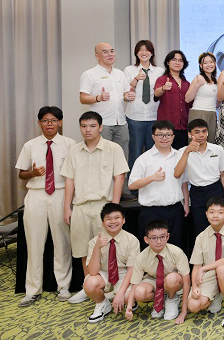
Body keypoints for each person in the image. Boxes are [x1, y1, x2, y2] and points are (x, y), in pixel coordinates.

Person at [61, 111, 129, 305]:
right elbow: (69, 180)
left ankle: (108, 289)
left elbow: (119, 177)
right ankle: (88, 286)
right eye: (83, 126)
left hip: (103, 206)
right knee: (84, 250)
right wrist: (67, 207)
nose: (87, 130)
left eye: (92, 126)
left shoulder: (113, 148)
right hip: (80, 206)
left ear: (100, 127)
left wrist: (113, 208)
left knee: (106, 249)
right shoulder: (74, 150)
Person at [16, 106, 76, 307]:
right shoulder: (30, 145)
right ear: (39, 123)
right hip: (36, 195)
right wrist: (32, 174)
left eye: (53, 120)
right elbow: (21, 174)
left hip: (60, 194)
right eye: (45, 120)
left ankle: (64, 286)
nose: (49, 124)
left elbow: (74, 174)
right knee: (34, 243)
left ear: (60, 122)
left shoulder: (70, 145)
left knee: (62, 242)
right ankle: (32, 290)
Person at [128, 120, 189, 248]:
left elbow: (184, 182)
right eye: (160, 135)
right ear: (153, 137)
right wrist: (152, 178)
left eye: (168, 135)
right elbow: (132, 185)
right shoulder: (144, 159)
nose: (164, 138)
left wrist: (186, 204)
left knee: (175, 248)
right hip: (151, 211)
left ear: (173, 136)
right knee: (151, 250)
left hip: (175, 210)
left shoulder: (179, 156)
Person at [186, 198, 224, 327]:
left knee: (222, 269)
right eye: (211, 212)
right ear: (206, 214)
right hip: (210, 274)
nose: (215, 215)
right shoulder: (201, 237)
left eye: (220, 212)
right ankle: (216, 296)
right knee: (193, 305)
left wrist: (204, 268)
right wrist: (194, 286)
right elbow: (196, 266)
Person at [125, 219, 190, 324]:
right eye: (154, 238)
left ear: (168, 236)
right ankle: (159, 301)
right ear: (146, 239)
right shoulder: (141, 257)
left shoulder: (176, 252)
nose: (159, 241)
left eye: (162, 237)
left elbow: (187, 281)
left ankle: (171, 298)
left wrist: (183, 312)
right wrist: (129, 307)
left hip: (172, 282)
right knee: (139, 292)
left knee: (172, 278)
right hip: (153, 280)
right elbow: (134, 284)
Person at [174, 118, 224, 237]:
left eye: (204, 131)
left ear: (208, 133)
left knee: (219, 228)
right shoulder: (182, 152)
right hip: (197, 191)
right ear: (190, 134)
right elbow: (177, 174)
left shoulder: (217, 149)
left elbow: (223, 175)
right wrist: (187, 152)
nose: (201, 135)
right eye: (197, 132)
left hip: (215, 189)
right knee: (200, 230)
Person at [82, 203, 139, 323]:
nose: (113, 222)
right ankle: (102, 303)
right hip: (104, 273)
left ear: (123, 220)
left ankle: (124, 298)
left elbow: (131, 270)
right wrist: (97, 248)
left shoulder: (132, 240)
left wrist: (120, 294)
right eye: (108, 219)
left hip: (124, 274)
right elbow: (92, 272)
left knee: (133, 295)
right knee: (90, 283)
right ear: (102, 222)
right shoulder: (94, 242)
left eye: (117, 218)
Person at [80, 42, 130, 160]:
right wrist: (98, 98)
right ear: (97, 56)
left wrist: (128, 96)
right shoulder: (89, 74)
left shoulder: (120, 73)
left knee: (121, 158)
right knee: (102, 159)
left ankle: (121, 179)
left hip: (121, 123)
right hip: (103, 124)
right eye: (105, 52)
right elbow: (83, 98)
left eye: (112, 51)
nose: (110, 54)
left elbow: (125, 93)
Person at [124, 40, 164, 170]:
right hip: (135, 117)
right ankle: (134, 186)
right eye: (140, 50)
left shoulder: (159, 71)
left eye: (147, 50)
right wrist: (136, 79)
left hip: (154, 116)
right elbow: (125, 91)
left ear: (152, 53)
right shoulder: (129, 70)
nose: (144, 52)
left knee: (153, 152)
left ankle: (151, 183)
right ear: (136, 53)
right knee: (135, 152)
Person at [153, 50, 192, 150]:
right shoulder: (162, 79)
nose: (177, 63)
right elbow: (156, 93)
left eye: (180, 60)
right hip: (166, 126)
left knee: (181, 155)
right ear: (168, 62)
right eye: (174, 60)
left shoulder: (186, 83)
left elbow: (190, 103)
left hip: (183, 125)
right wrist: (163, 88)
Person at [185, 52, 219, 143]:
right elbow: (187, 98)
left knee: (210, 143)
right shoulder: (198, 78)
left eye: (211, 62)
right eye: (205, 63)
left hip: (212, 114)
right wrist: (197, 85)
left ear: (215, 64)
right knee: (196, 143)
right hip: (199, 112)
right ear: (201, 65)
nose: (209, 65)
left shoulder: (216, 80)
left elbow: (217, 102)